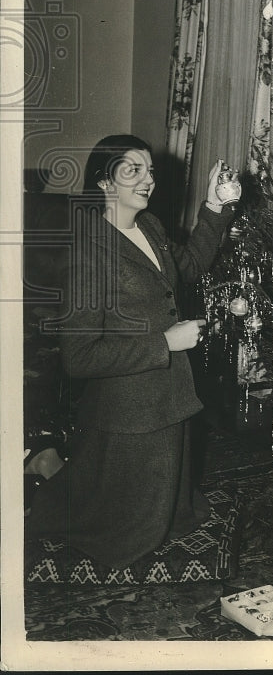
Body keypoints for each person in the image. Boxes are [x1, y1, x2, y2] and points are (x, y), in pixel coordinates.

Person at [26, 135, 239, 569]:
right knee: (124, 536)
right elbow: (80, 358)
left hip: (169, 397)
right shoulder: (87, 253)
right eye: (134, 171)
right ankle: (47, 470)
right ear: (105, 181)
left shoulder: (150, 228)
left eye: (150, 171)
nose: (149, 180)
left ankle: (50, 463)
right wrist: (165, 342)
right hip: (127, 411)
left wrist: (216, 205)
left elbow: (190, 265)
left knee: (177, 515)